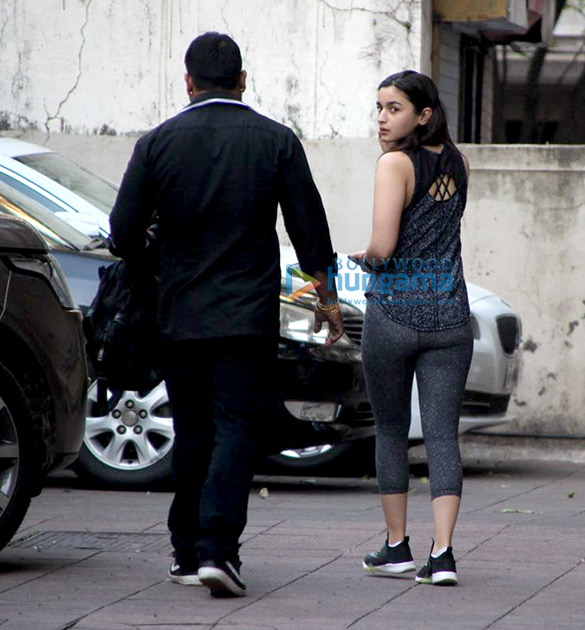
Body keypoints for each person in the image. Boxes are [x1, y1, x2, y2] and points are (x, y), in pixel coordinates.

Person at [109, 32, 343, 598]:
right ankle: (219, 550)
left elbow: (121, 234)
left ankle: (186, 553)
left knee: (192, 432)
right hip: (246, 319)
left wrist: (155, 257)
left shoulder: (157, 143)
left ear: (188, 82)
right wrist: (325, 296)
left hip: (179, 317)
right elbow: (308, 227)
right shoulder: (276, 141)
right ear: (243, 80)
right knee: (237, 428)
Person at [349, 70, 473, 586]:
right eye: (378, 107)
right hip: (450, 313)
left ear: (422, 114)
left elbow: (382, 247)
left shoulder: (393, 164)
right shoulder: (459, 163)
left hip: (394, 315)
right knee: (443, 434)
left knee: (393, 430)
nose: (382, 118)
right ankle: (442, 554)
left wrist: (358, 259)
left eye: (394, 108)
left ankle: (397, 547)